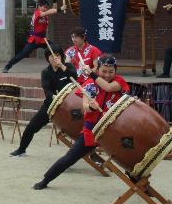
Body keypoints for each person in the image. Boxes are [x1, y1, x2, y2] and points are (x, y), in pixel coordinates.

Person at [32, 54, 128, 189]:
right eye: (104, 71)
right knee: (70, 157)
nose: (107, 74)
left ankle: (140, 185)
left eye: (111, 71)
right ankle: (45, 180)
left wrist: (94, 75)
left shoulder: (118, 81)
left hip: (114, 130)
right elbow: (85, 107)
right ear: (98, 69)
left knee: (129, 156)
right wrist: (91, 106)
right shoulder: (89, 84)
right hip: (92, 130)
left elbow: (108, 88)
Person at [10, 45, 77, 156]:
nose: (54, 58)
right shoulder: (46, 72)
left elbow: (75, 77)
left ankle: (88, 154)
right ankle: (21, 150)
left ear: (62, 57)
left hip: (70, 105)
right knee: (31, 127)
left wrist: (62, 66)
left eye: (57, 55)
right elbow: (47, 90)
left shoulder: (68, 67)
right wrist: (56, 99)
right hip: (51, 105)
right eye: (51, 56)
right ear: (47, 58)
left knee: (80, 129)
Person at [3, 0, 59, 73]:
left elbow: (53, 10)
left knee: (55, 49)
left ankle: (58, 66)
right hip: (34, 39)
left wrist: (54, 0)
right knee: (23, 54)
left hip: (42, 39)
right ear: (39, 6)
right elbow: (51, 11)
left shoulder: (45, 14)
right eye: (44, 7)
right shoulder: (37, 13)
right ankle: (8, 66)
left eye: (46, 7)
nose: (46, 9)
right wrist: (60, 9)